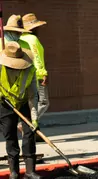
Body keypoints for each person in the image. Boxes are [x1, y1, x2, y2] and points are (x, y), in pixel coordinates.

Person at [0, 41, 42, 179]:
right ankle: (14, 173)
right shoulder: (0, 69)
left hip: (24, 102)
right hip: (4, 104)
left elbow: (32, 96)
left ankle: (30, 172)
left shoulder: (30, 70)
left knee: (29, 132)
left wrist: (34, 119)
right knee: (10, 134)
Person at [20, 13, 49, 142]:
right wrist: (43, 73)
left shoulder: (21, 39)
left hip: (27, 74)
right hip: (37, 74)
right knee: (43, 102)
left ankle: (32, 128)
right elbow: (37, 57)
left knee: (33, 102)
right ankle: (28, 123)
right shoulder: (33, 39)